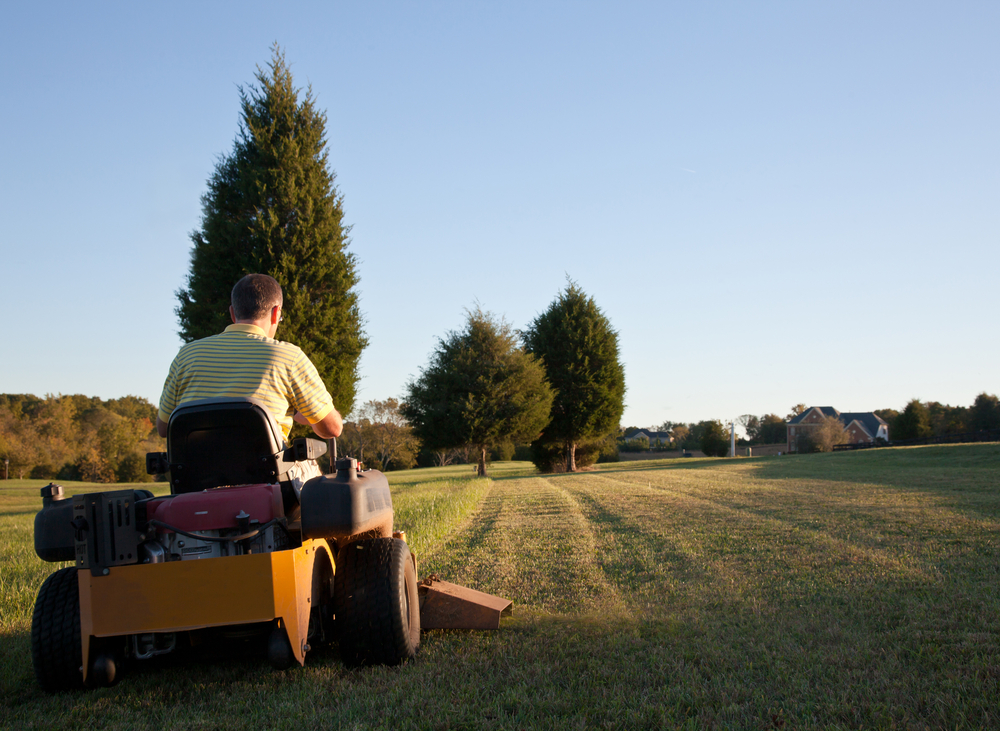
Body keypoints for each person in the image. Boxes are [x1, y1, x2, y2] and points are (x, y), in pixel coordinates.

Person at [156, 273, 343, 443]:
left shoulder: (186, 355)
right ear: (276, 313)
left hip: (195, 478)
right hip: (266, 477)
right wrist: (311, 418)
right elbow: (333, 429)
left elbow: (163, 428)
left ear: (232, 313)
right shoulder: (289, 357)